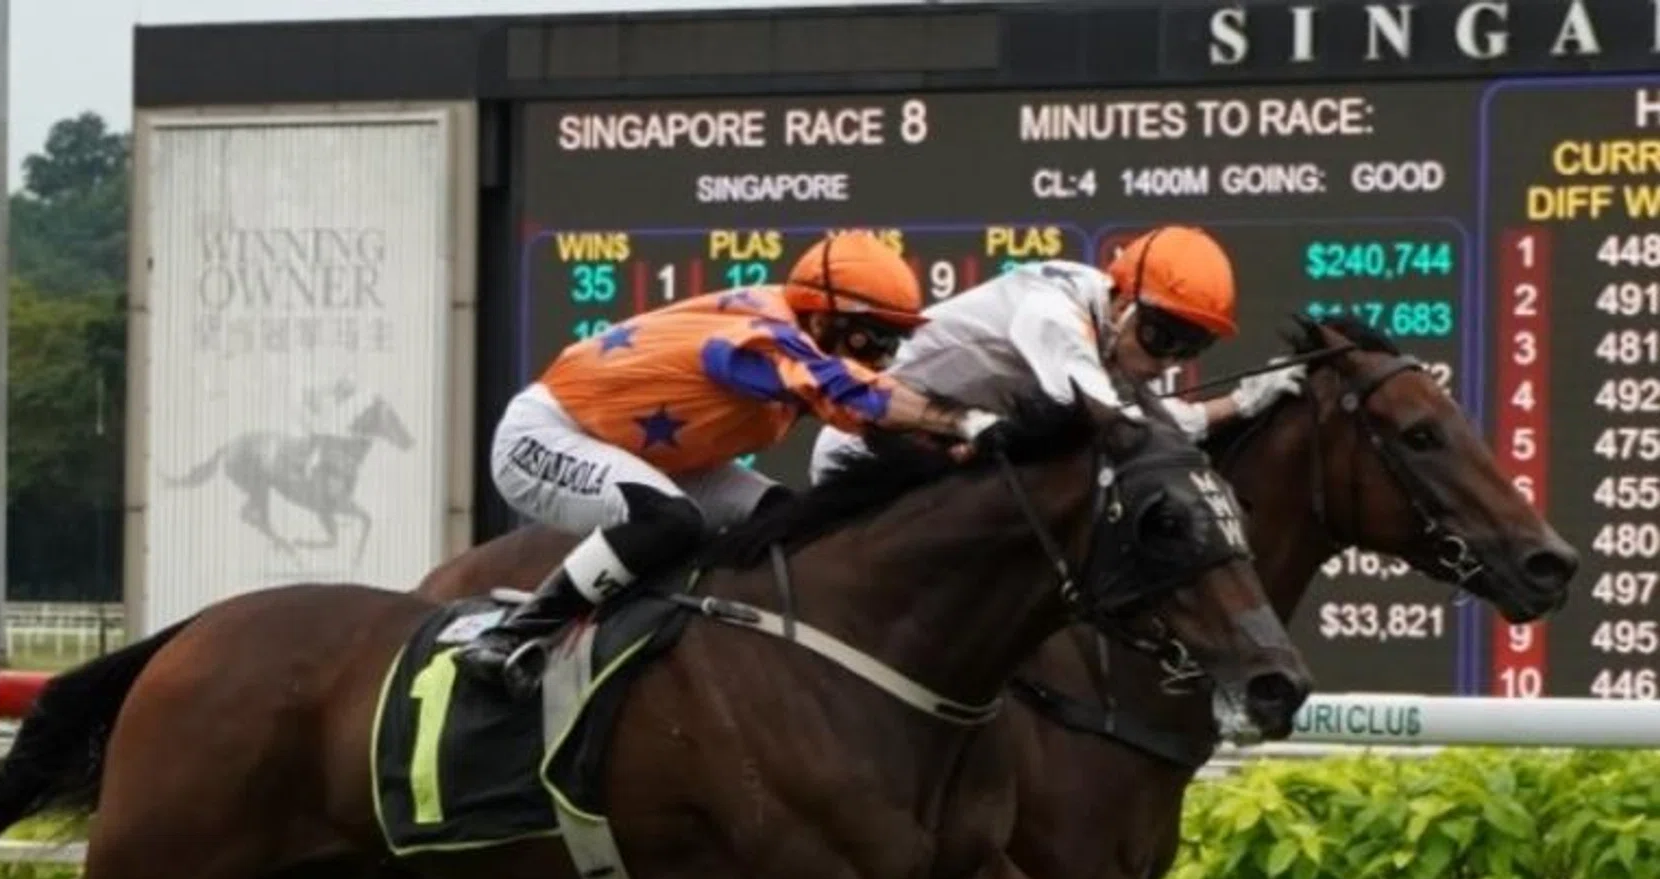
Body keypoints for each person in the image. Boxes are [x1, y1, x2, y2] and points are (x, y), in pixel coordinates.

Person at [455, 230, 1021, 694]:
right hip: (550, 433)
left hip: (658, 453)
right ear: (821, 319)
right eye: (872, 340)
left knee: (786, 520)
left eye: (893, 343)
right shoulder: (763, 338)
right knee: (668, 520)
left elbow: (874, 420)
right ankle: (513, 636)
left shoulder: (800, 331)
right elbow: (854, 394)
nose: (884, 358)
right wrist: (964, 421)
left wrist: (956, 451)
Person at [809, 225, 1306, 483]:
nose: (1166, 361)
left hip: (949, 450)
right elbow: (1116, 426)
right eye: (1161, 337)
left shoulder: (1102, 311)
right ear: (1123, 303)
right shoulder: (1054, 316)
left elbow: (1139, 419)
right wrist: (1237, 405)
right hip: (864, 450)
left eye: (1191, 348)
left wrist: (1239, 405)